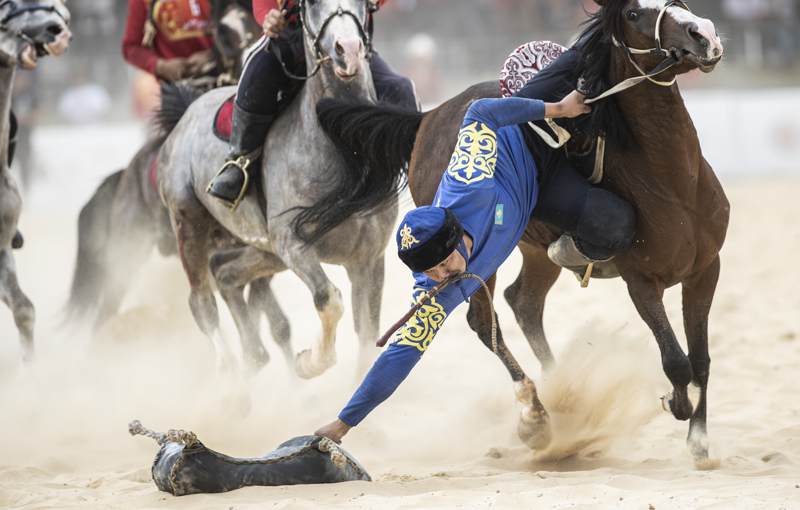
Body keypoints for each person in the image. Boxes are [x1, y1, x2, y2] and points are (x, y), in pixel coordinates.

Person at [312, 89, 632, 443]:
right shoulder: (436, 289)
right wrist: (344, 423)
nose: (443, 277)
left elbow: (481, 112)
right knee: (613, 223)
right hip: (536, 197)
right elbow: (400, 354)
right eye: (430, 272)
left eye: (444, 264)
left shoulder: (469, 182)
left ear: (455, 235)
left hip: (531, 142)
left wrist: (559, 108)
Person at [207, 0, 418, 210]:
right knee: (259, 72)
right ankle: (240, 160)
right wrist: (268, 16)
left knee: (399, 88)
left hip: (346, 29)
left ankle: (416, 165)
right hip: (289, 32)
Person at [121, 0, 214, 82]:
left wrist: (214, 55)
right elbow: (131, 47)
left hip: (222, 78)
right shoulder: (143, 2)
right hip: (178, 90)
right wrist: (162, 66)